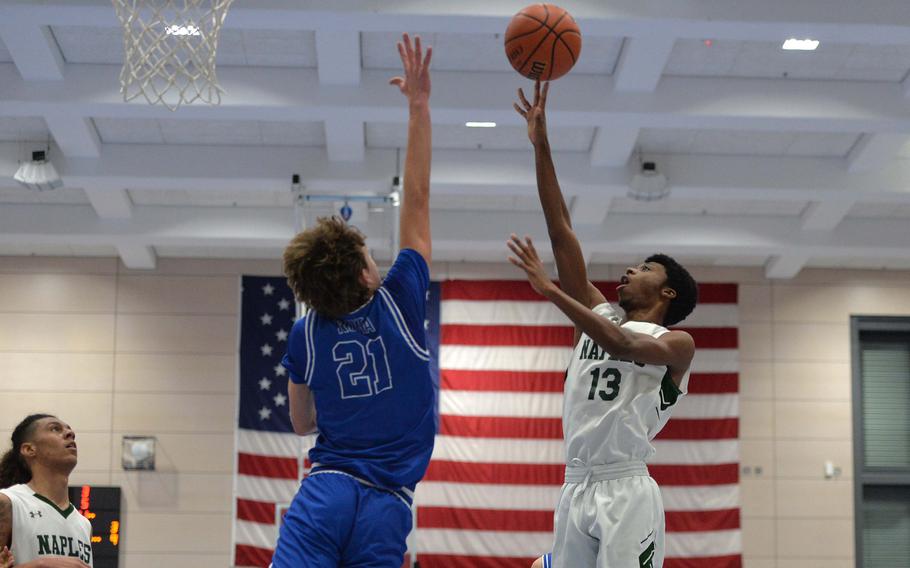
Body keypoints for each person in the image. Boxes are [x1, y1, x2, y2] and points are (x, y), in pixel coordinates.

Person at [509, 81, 698, 568]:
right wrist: (541, 145)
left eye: (645, 269)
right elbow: (561, 230)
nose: (630, 271)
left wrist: (552, 292)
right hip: (575, 484)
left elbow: (616, 342)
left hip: (626, 487)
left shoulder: (677, 344)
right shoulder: (600, 314)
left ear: (667, 292)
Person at [271, 32, 434, 567]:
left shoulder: (306, 334)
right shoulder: (400, 300)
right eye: (370, 254)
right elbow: (416, 198)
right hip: (387, 504)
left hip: (328, 491)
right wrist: (418, 107)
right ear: (367, 277)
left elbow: (300, 424)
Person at [0, 414, 92, 568]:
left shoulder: (84, 524)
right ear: (29, 449)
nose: (70, 434)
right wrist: (40, 565)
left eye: (70, 430)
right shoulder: (8, 503)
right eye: (55, 429)